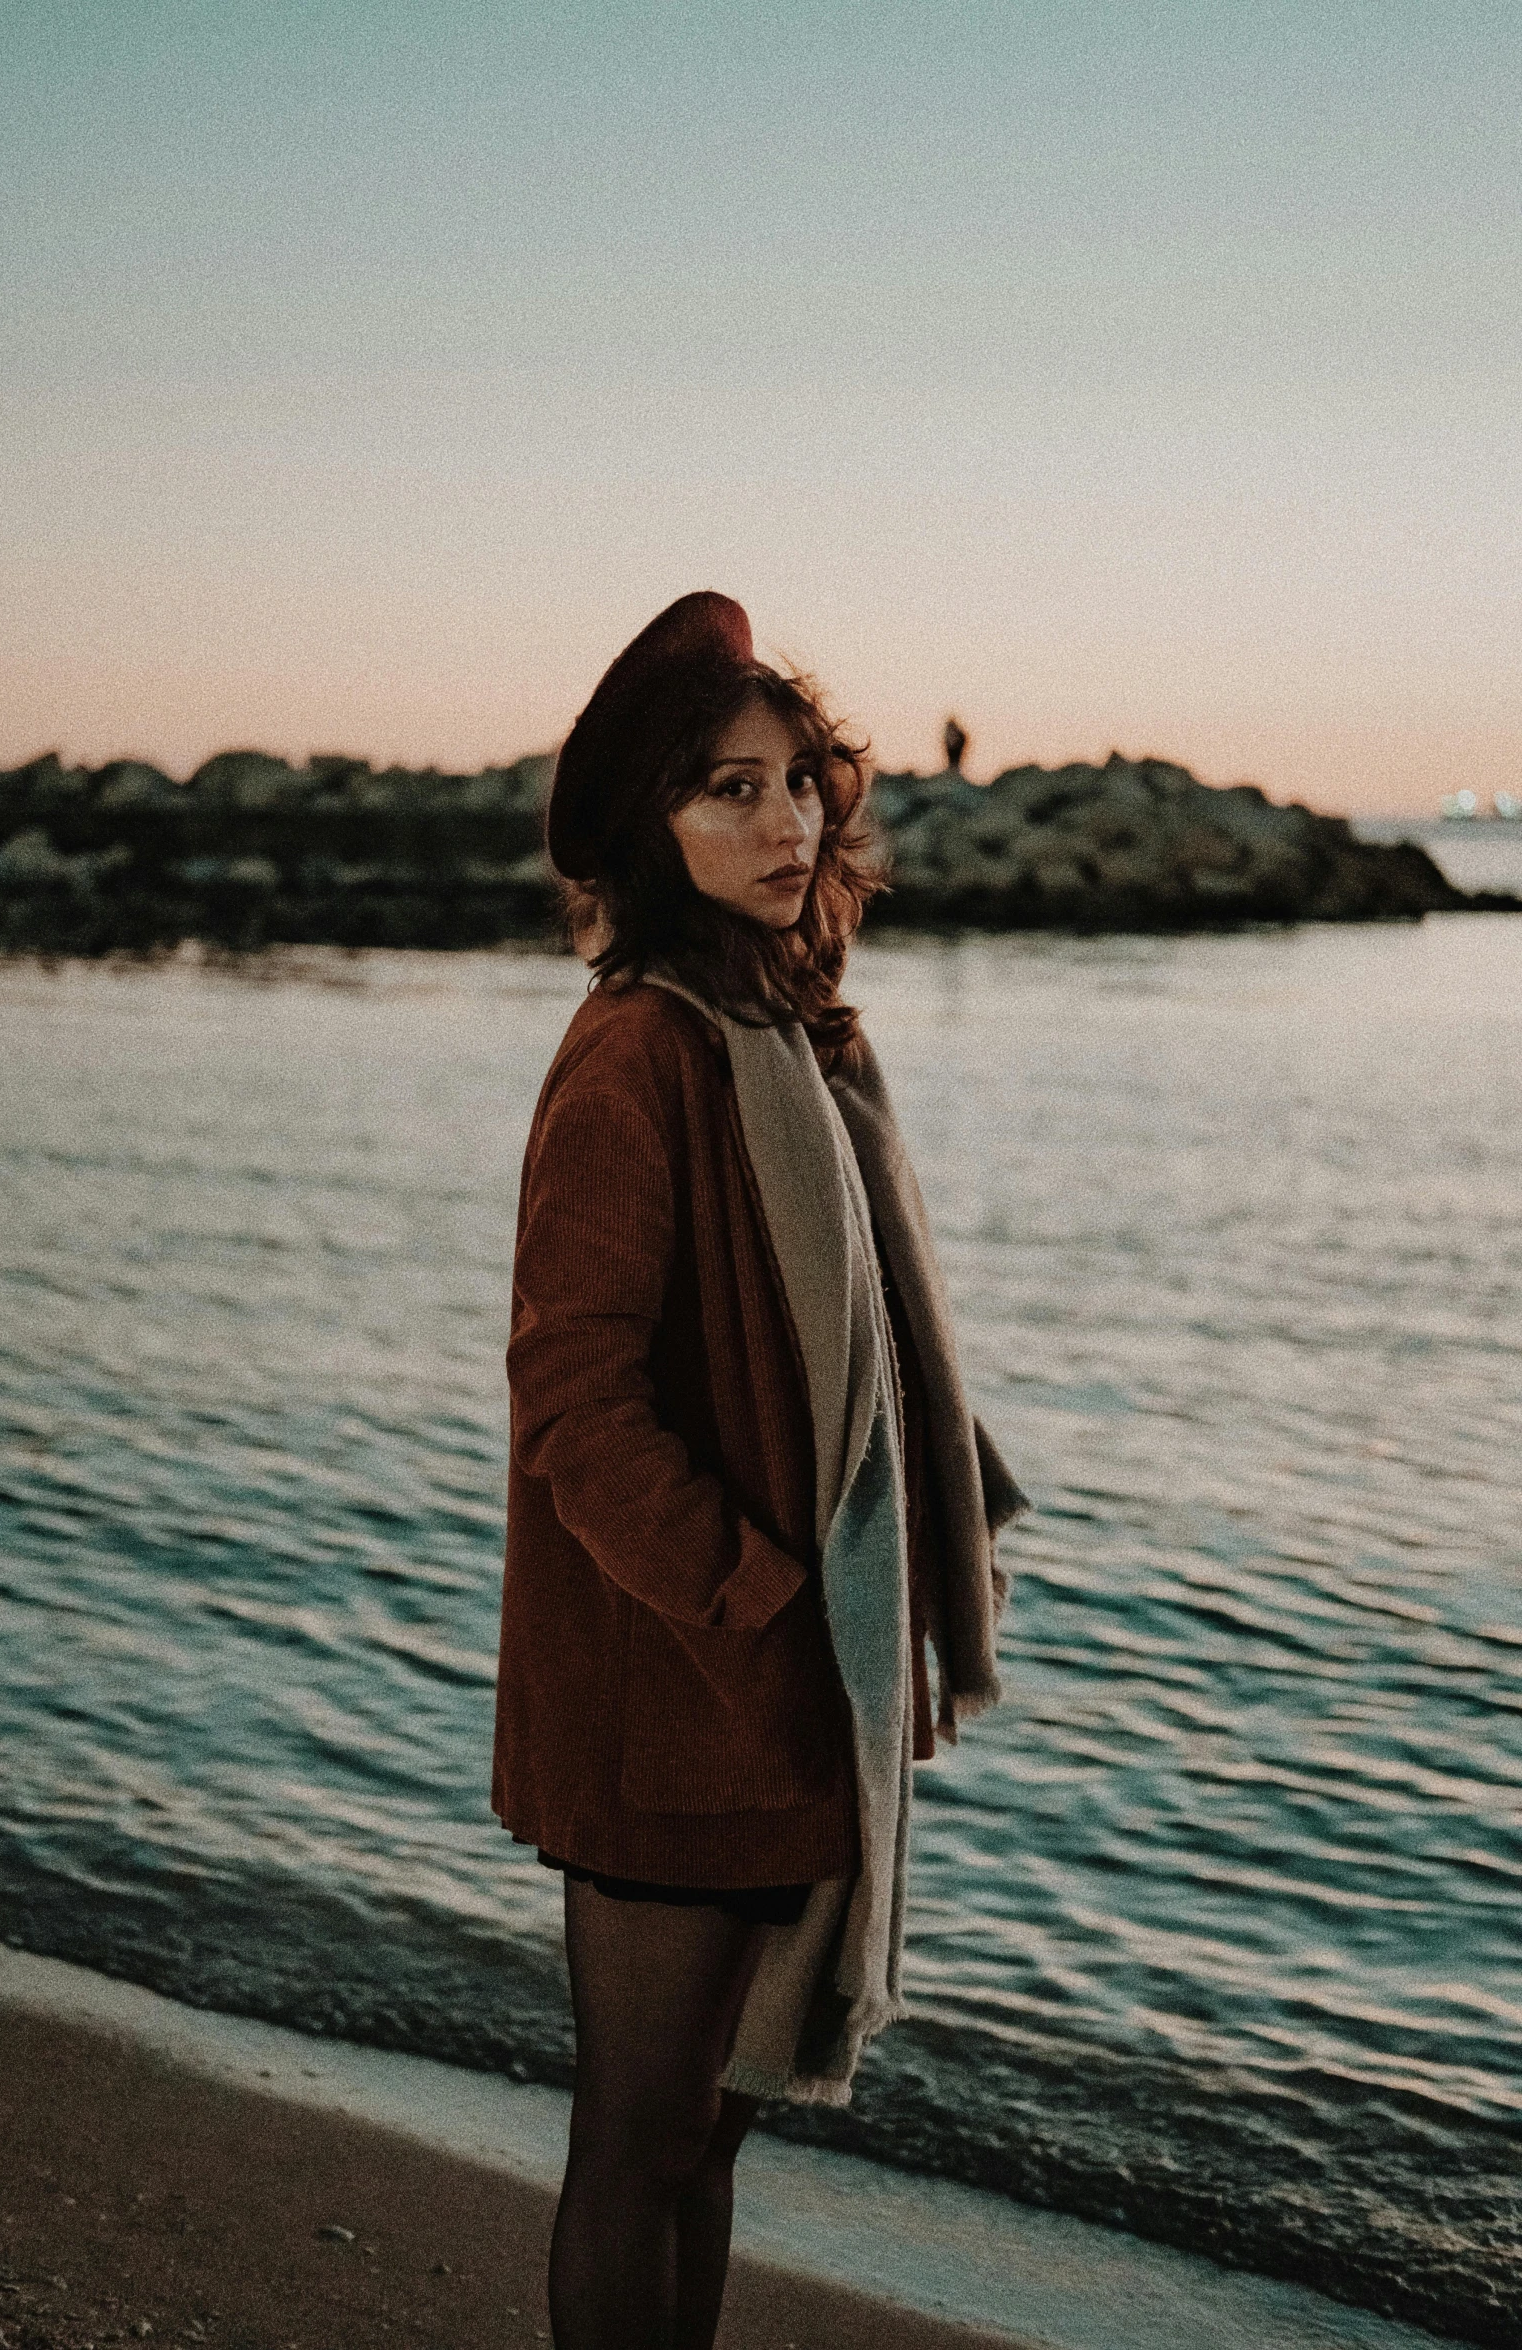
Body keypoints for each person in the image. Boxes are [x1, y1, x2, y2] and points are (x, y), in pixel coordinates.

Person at [492, 592, 1024, 2350]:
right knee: (637, 2144)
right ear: (648, 825)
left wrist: (888, 1584)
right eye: (727, 789)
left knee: (713, 2140)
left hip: (792, 1683)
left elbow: (866, 1365)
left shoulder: (789, 1035)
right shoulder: (640, 1049)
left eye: (797, 780)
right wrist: (770, 1597)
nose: (782, 822)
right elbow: (572, 1397)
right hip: (680, 1683)